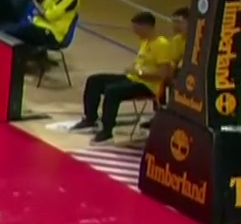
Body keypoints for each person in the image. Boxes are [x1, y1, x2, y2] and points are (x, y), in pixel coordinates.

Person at [70, 10, 182, 143]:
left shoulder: (161, 44)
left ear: (146, 27)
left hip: (147, 86)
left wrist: (139, 73)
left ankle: (107, 131)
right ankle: (90, 119)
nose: (134, 32)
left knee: (112, 91)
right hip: (133, 79)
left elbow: (163, 74)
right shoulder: (145, 41)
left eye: (136, 29)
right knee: (94, 80)